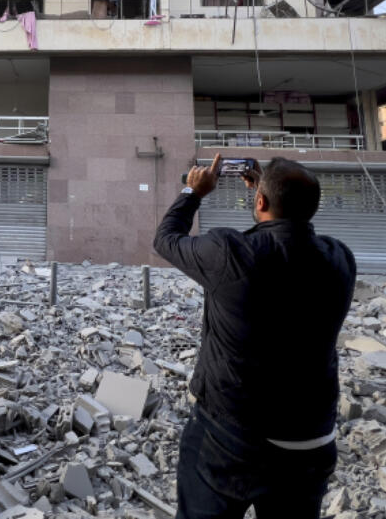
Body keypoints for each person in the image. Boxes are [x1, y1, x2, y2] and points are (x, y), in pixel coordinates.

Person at [153, 153, 356, 519]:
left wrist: (193, 192)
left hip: (231, 438)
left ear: (259, 201)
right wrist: (271, 193)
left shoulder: (231, 252)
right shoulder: (339, 258)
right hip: (312, 442)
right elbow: (293, 234)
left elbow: (167, 239)